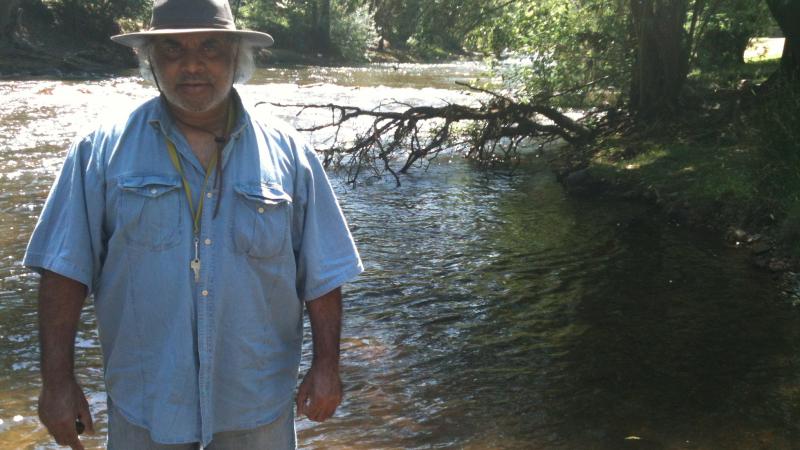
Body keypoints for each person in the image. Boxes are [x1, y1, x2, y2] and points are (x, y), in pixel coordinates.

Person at [23, 0, 363, 448]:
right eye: (172, 50)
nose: (192, 65)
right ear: (151, 62)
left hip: (256, 411)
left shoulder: (291, 157)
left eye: (210, 47)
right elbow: (63, 272)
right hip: (147, 410)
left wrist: (326, 368)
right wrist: (57, 383)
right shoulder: (99, 153)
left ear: (237, 58)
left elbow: (322, 276)